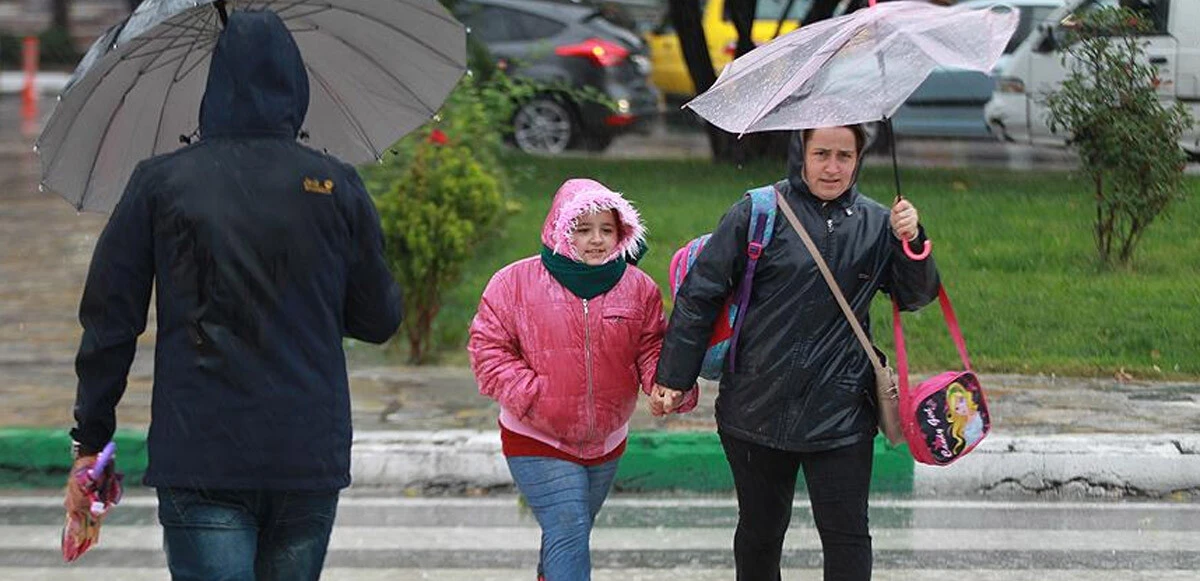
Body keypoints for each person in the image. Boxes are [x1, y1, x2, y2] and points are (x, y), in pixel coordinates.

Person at [63, 10, 402, 581]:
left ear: (213, 86)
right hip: (305, 452)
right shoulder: (335, 184)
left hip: (202, 451)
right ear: (297, 85)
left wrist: (92, 442)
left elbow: (110, 323)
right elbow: (378, 319)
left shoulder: (161, 182)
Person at [649, 125, 940, 581]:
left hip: (841, 412)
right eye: (821, 152)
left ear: (859, 159)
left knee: (847, 537)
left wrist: (913, 242)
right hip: (755, 409)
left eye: (845, 155)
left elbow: (914, 296)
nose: (832, 166)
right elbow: (700, 294)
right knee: (761, 535)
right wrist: (674, 378)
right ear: (799, 153)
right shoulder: (757, 212)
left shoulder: (876, 222)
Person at [468, 178, 695, 581]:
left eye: (606, 230)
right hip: (535, 435)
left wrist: (666, 383)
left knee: (567, 534)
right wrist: (533, 396)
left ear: (621, 233)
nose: (596, 240)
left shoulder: (638, 287)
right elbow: (488, 349)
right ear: (560, 228)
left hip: (606, 439)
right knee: (568, 529)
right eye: (582, 229)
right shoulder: (513, 283)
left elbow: (650, 346)